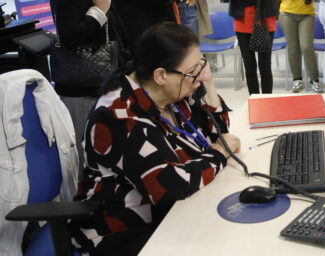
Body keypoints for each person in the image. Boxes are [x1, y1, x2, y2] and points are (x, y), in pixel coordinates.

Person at [68, 22, 241, 255]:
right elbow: (171, 186)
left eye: (201, 64)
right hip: (122, 229)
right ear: (161, 75)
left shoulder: (173, 92)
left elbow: (218, 131)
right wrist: (219, 153)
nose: (199, 75)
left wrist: (206, 81)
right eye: (193, 71)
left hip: (171, 213)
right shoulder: (118, 116)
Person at [50, 0, 128, 172]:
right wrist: (99, 11)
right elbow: (71, 38)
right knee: (90, 156)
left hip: (96, 84)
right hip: (82, 89)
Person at [278, 0, 321, 93]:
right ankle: (297, 80)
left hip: (306, 15)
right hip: (286, 14)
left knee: (307, 47)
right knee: (293, 48)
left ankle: (315, 80)